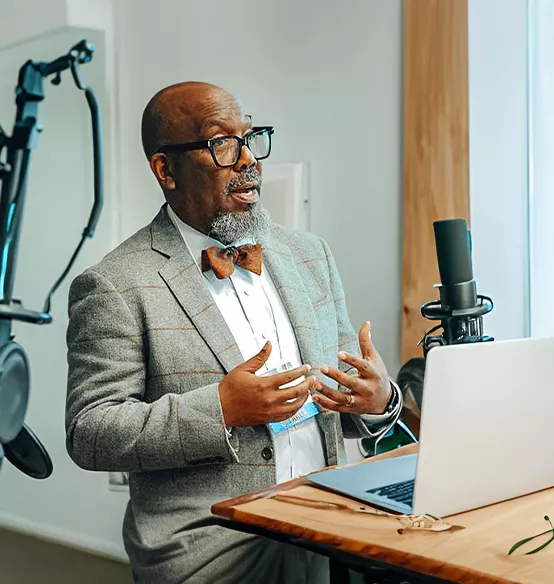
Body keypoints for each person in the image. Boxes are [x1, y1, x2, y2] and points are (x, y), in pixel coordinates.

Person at [64, 81, 402, 583]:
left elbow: (347, 391)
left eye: (251, 137)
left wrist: (379, 401)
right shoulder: (113, 284)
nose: (249, 160)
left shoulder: (311, 254)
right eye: (222, 143)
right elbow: (90, 431)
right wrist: (220, 409)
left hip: (329, 535)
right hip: (214, 553)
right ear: (166, 170)